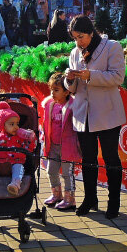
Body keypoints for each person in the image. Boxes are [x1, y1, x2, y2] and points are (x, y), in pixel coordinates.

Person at [64, 14, 126, 219]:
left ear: (91, 33)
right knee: (88, 159)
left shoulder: (112, 47)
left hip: (107, 113)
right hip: (84, 114)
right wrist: (69, 79)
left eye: (81, 37)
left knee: (110, 158)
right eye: (75, 38)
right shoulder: (74, 53)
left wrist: (92, 75)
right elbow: (72, 89)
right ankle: (90, 198)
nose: (78, 42)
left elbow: (118, 77)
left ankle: (114, 202)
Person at [0, 101, 37, 197]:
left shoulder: (20, 138)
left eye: (17, 124)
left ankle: (15, 185)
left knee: (19, 169)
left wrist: (31, 139)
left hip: (15, 162)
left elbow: (29, 149)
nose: (16, 127)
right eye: (12, 124)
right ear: (2, 125)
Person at [41, 72, 81, 210]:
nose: (52, 93)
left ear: (66, 91)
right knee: (51, 171)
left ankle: (70, 199)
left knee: (67, 174)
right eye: (51, 89)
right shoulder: (50, 105)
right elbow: (47, 124)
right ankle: (56, 194)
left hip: (67, 147)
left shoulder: (72, 106)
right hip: (53, 146)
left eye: (56, 90)